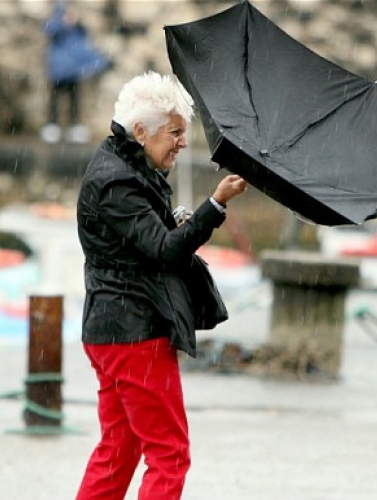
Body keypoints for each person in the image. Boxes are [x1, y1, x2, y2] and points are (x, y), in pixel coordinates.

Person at [75, 71, 248, 500]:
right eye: (174, 132)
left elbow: (144, 241)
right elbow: (166, 252)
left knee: (119, 448)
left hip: (112, 330)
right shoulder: (117, 181)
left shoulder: (125, 166)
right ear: (140, 132)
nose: (182, 142)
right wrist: (214, 205)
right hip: (134, 333)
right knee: (169, 453)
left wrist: (181, 220)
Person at [41, 1, 110, 144]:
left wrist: (99, 63)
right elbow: (48, 29)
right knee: (55, 101)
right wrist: (62, 22)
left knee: (74, 100)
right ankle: (52, 126)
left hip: (73, 73)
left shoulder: (78, 32)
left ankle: (74, 126)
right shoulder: (57, 30)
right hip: (58, 72)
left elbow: (86, 51)